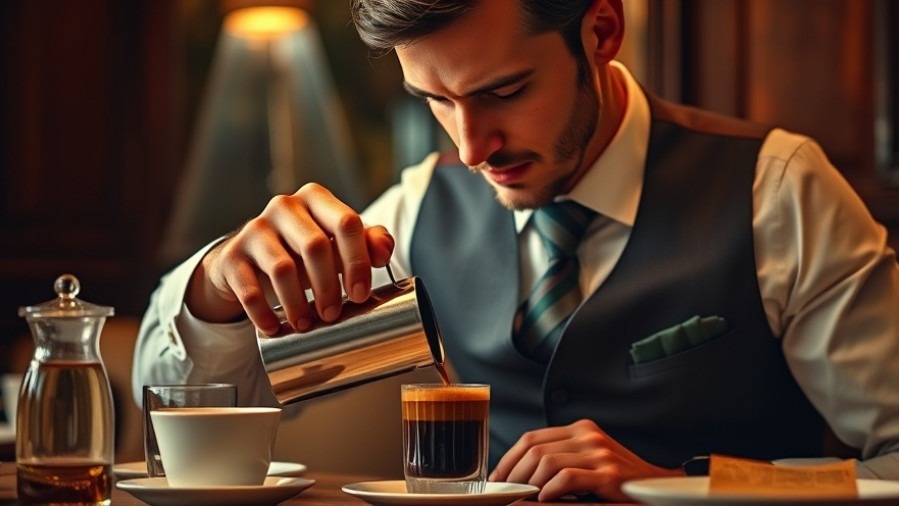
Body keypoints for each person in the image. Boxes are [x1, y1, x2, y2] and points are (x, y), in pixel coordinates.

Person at [133, 0, 899, 501]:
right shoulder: (416, 208)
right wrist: (214, 291)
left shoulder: (776, 188)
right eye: (434, 100)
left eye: (501, 92)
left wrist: (675, 488)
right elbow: (196, 407)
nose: (470, 147)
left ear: (600, 33)